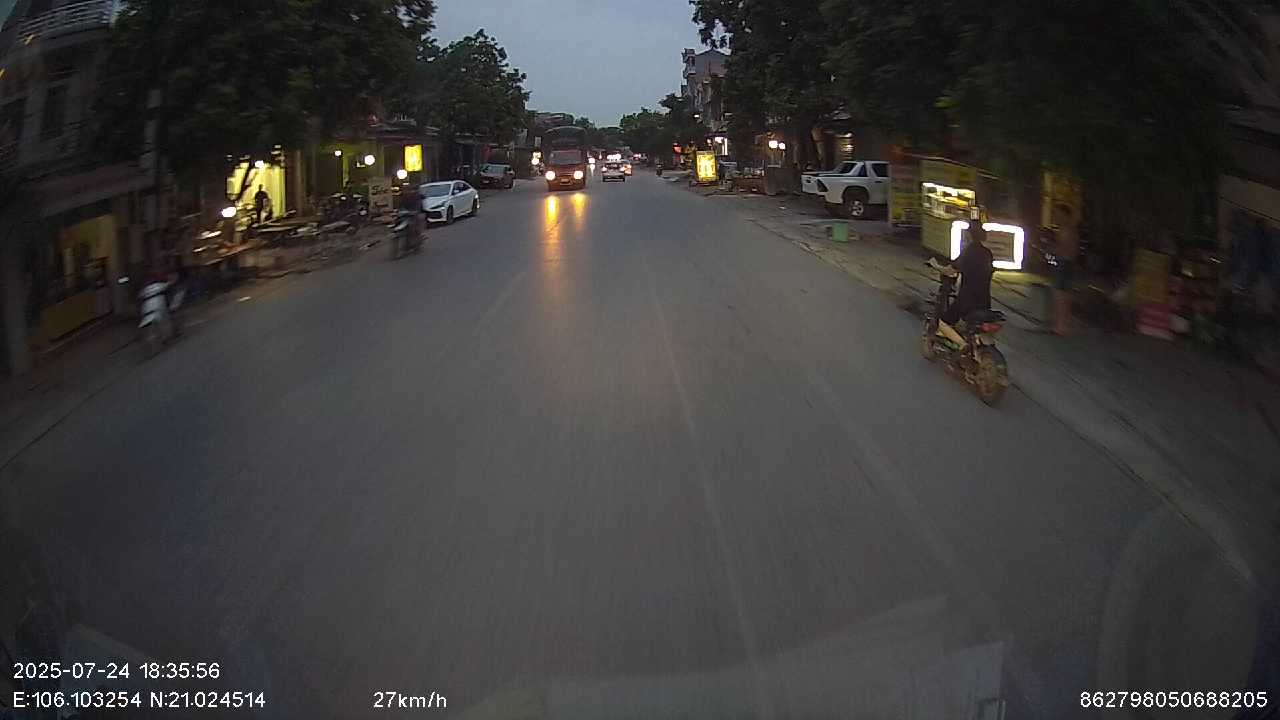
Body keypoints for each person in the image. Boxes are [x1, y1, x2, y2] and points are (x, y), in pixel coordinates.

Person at [940, 212, 995, 333]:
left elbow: (952, 269)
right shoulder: (987, 253)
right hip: (985, 302)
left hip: (967, 300)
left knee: (944, 322)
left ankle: (961, 343)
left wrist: (936, 266)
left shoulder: (968, 252)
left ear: (969, 235)